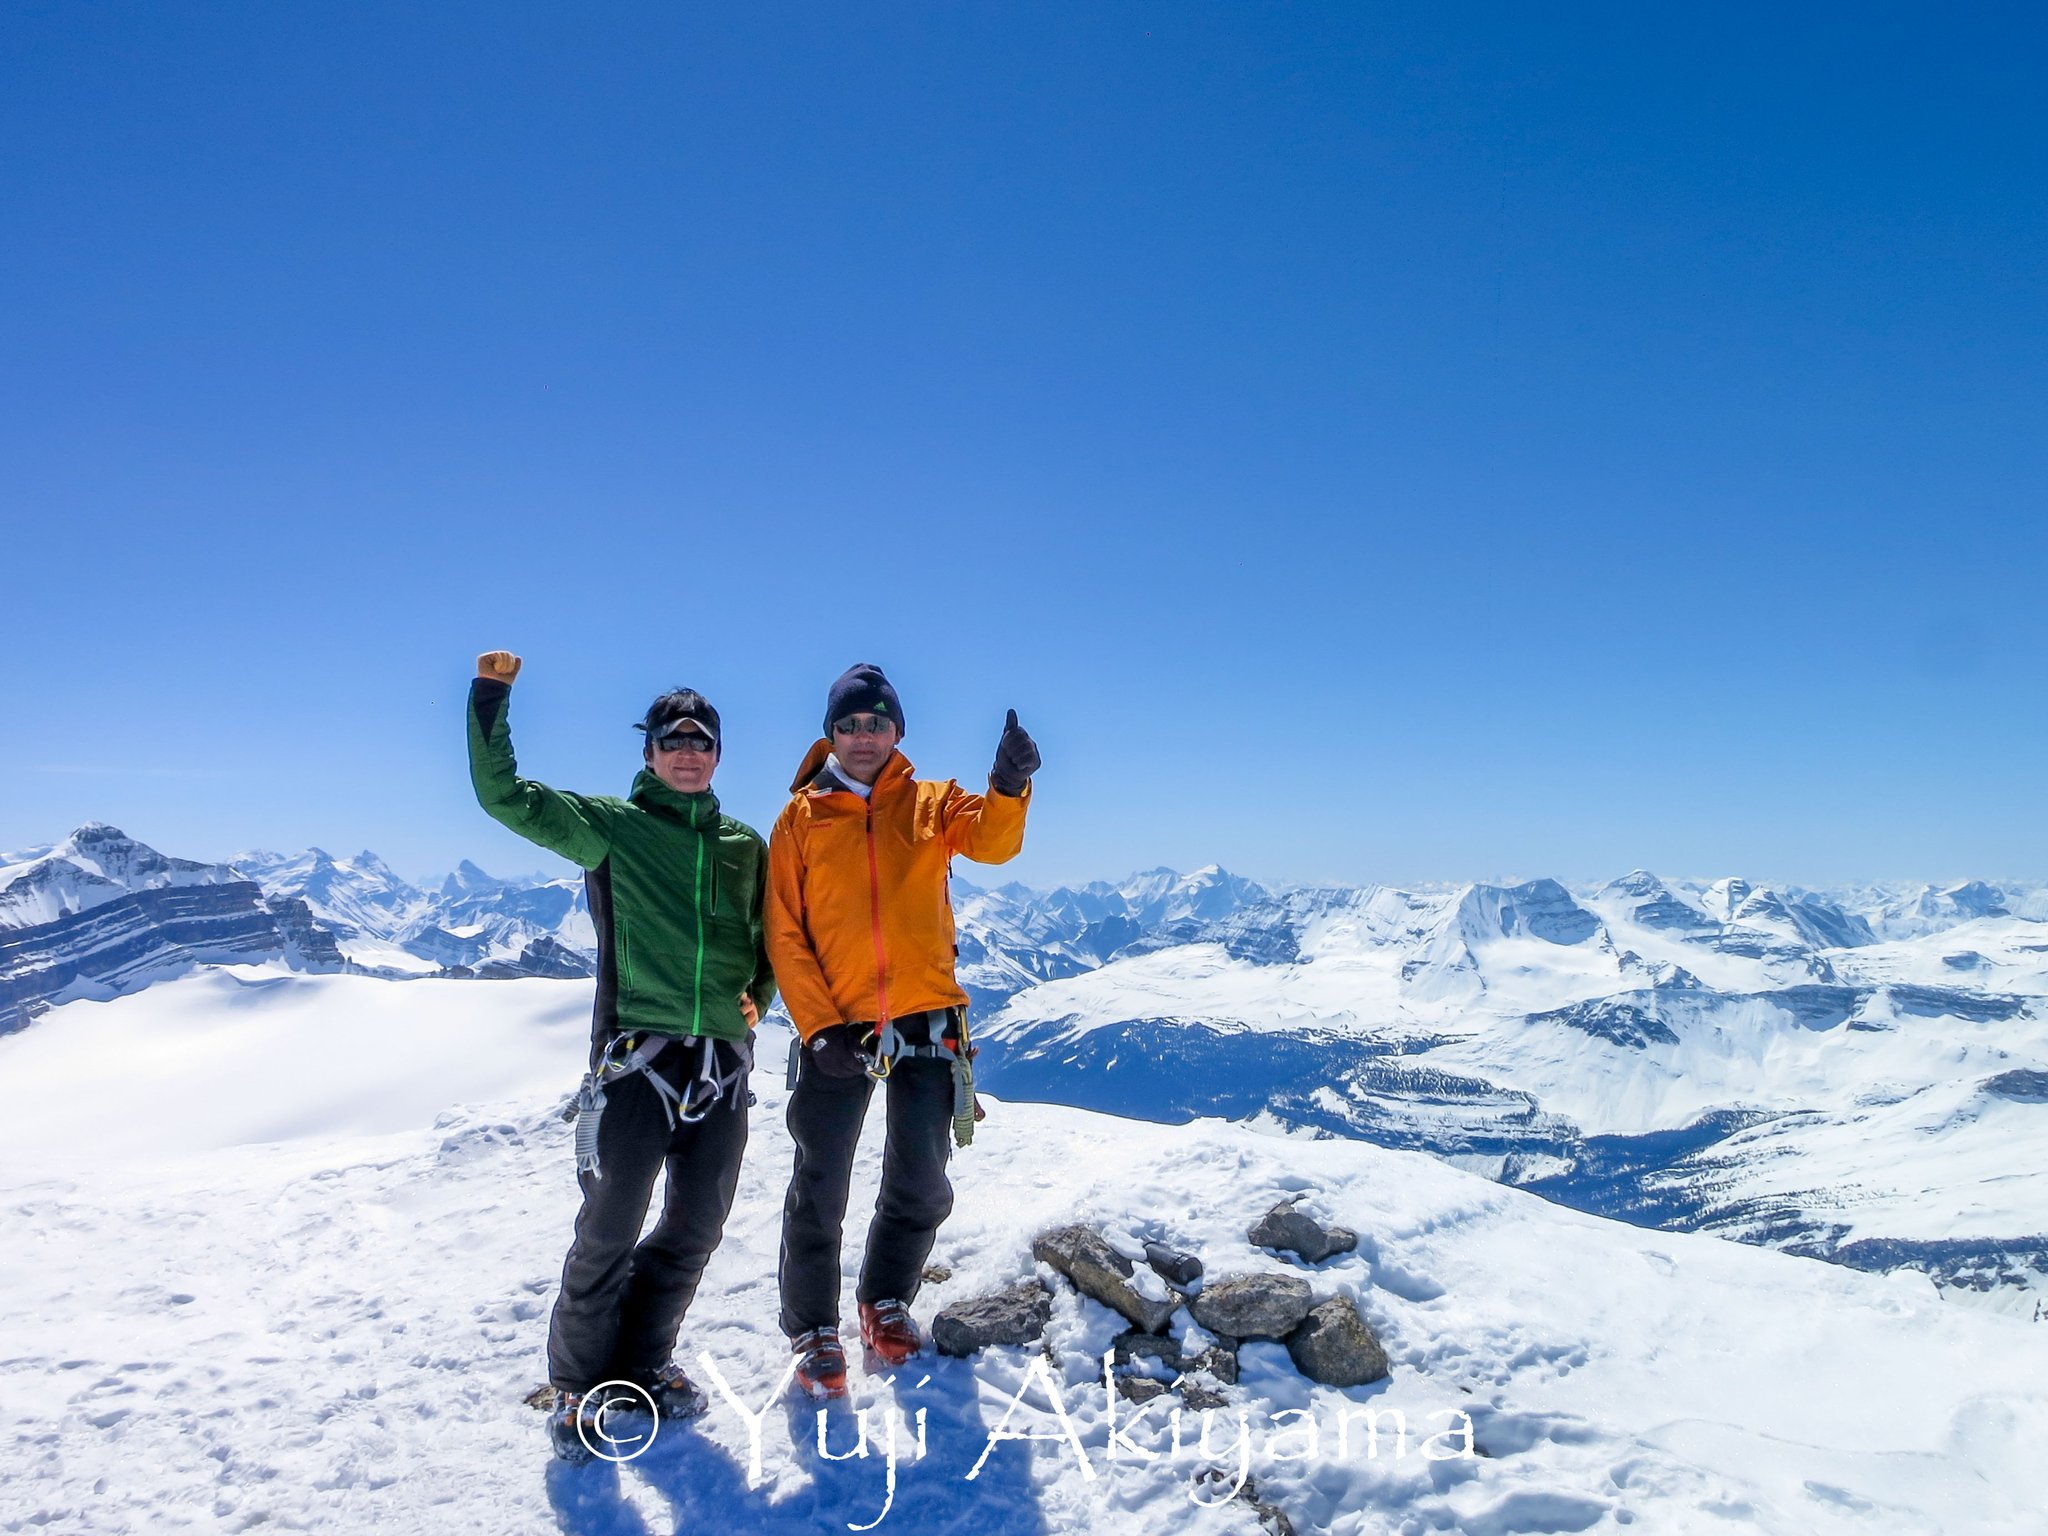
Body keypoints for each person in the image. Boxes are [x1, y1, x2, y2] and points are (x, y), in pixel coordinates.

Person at [466, 650, 773, 1462]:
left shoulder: (744, 844)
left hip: (724, 1067)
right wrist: (491, 699)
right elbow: (505, 797)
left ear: (718, 754)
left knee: (696, 1226)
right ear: (649, 753)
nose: (687, 752)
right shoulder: (613, 828)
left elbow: (768, 937)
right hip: (638, 1061)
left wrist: (761, 996)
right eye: (673, 740)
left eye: (701, 740)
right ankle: (576, 1381)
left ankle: (643, 1363)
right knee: (609, 1225)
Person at [767, 662, 1040, 1397]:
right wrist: (818, 1027)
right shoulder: (798, 820)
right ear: (830, 734)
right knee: (820, 1183)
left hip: (928, 1019)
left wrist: (1007, 786)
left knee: (921, 1180)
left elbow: (993, 844)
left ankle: (884, 1298)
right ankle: (811, 1327)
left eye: (876, 723)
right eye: (850, 724)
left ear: (897, 731)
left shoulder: (933, 803)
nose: (863, 736)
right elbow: (785, 933)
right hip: (838, 1028)